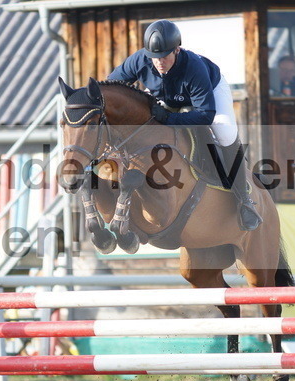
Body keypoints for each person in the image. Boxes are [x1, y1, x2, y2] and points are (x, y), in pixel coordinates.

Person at [109, 19, 262, 231]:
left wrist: (168, 119)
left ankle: (244, 199)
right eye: (154, 58)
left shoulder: (194, 68)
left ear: (177, 50)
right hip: (167, 97)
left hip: (209, 93)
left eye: (165, 56)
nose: (159, 62)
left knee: (225, 132)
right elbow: (110, 88)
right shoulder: (139, 60)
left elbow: (205, 115)